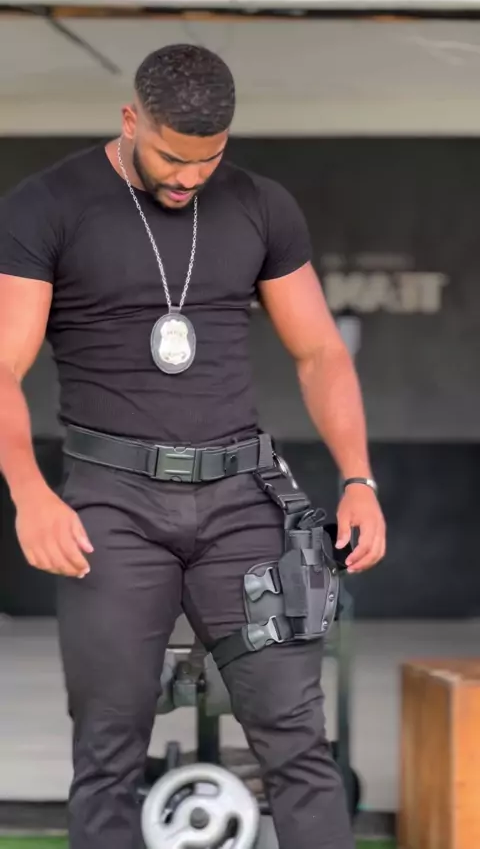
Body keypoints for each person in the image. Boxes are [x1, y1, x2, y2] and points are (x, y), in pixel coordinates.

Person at [0, 44, 386, 849]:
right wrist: (31, 494)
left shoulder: (260, 205)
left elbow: (320, 353)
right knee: (106, 752)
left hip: (242, 502)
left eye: (208, 159)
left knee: (296, 741)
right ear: (130, 119)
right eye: (172, 157)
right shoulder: (48, 205)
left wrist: (360, 480)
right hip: (112, 506)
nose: (189, 177)